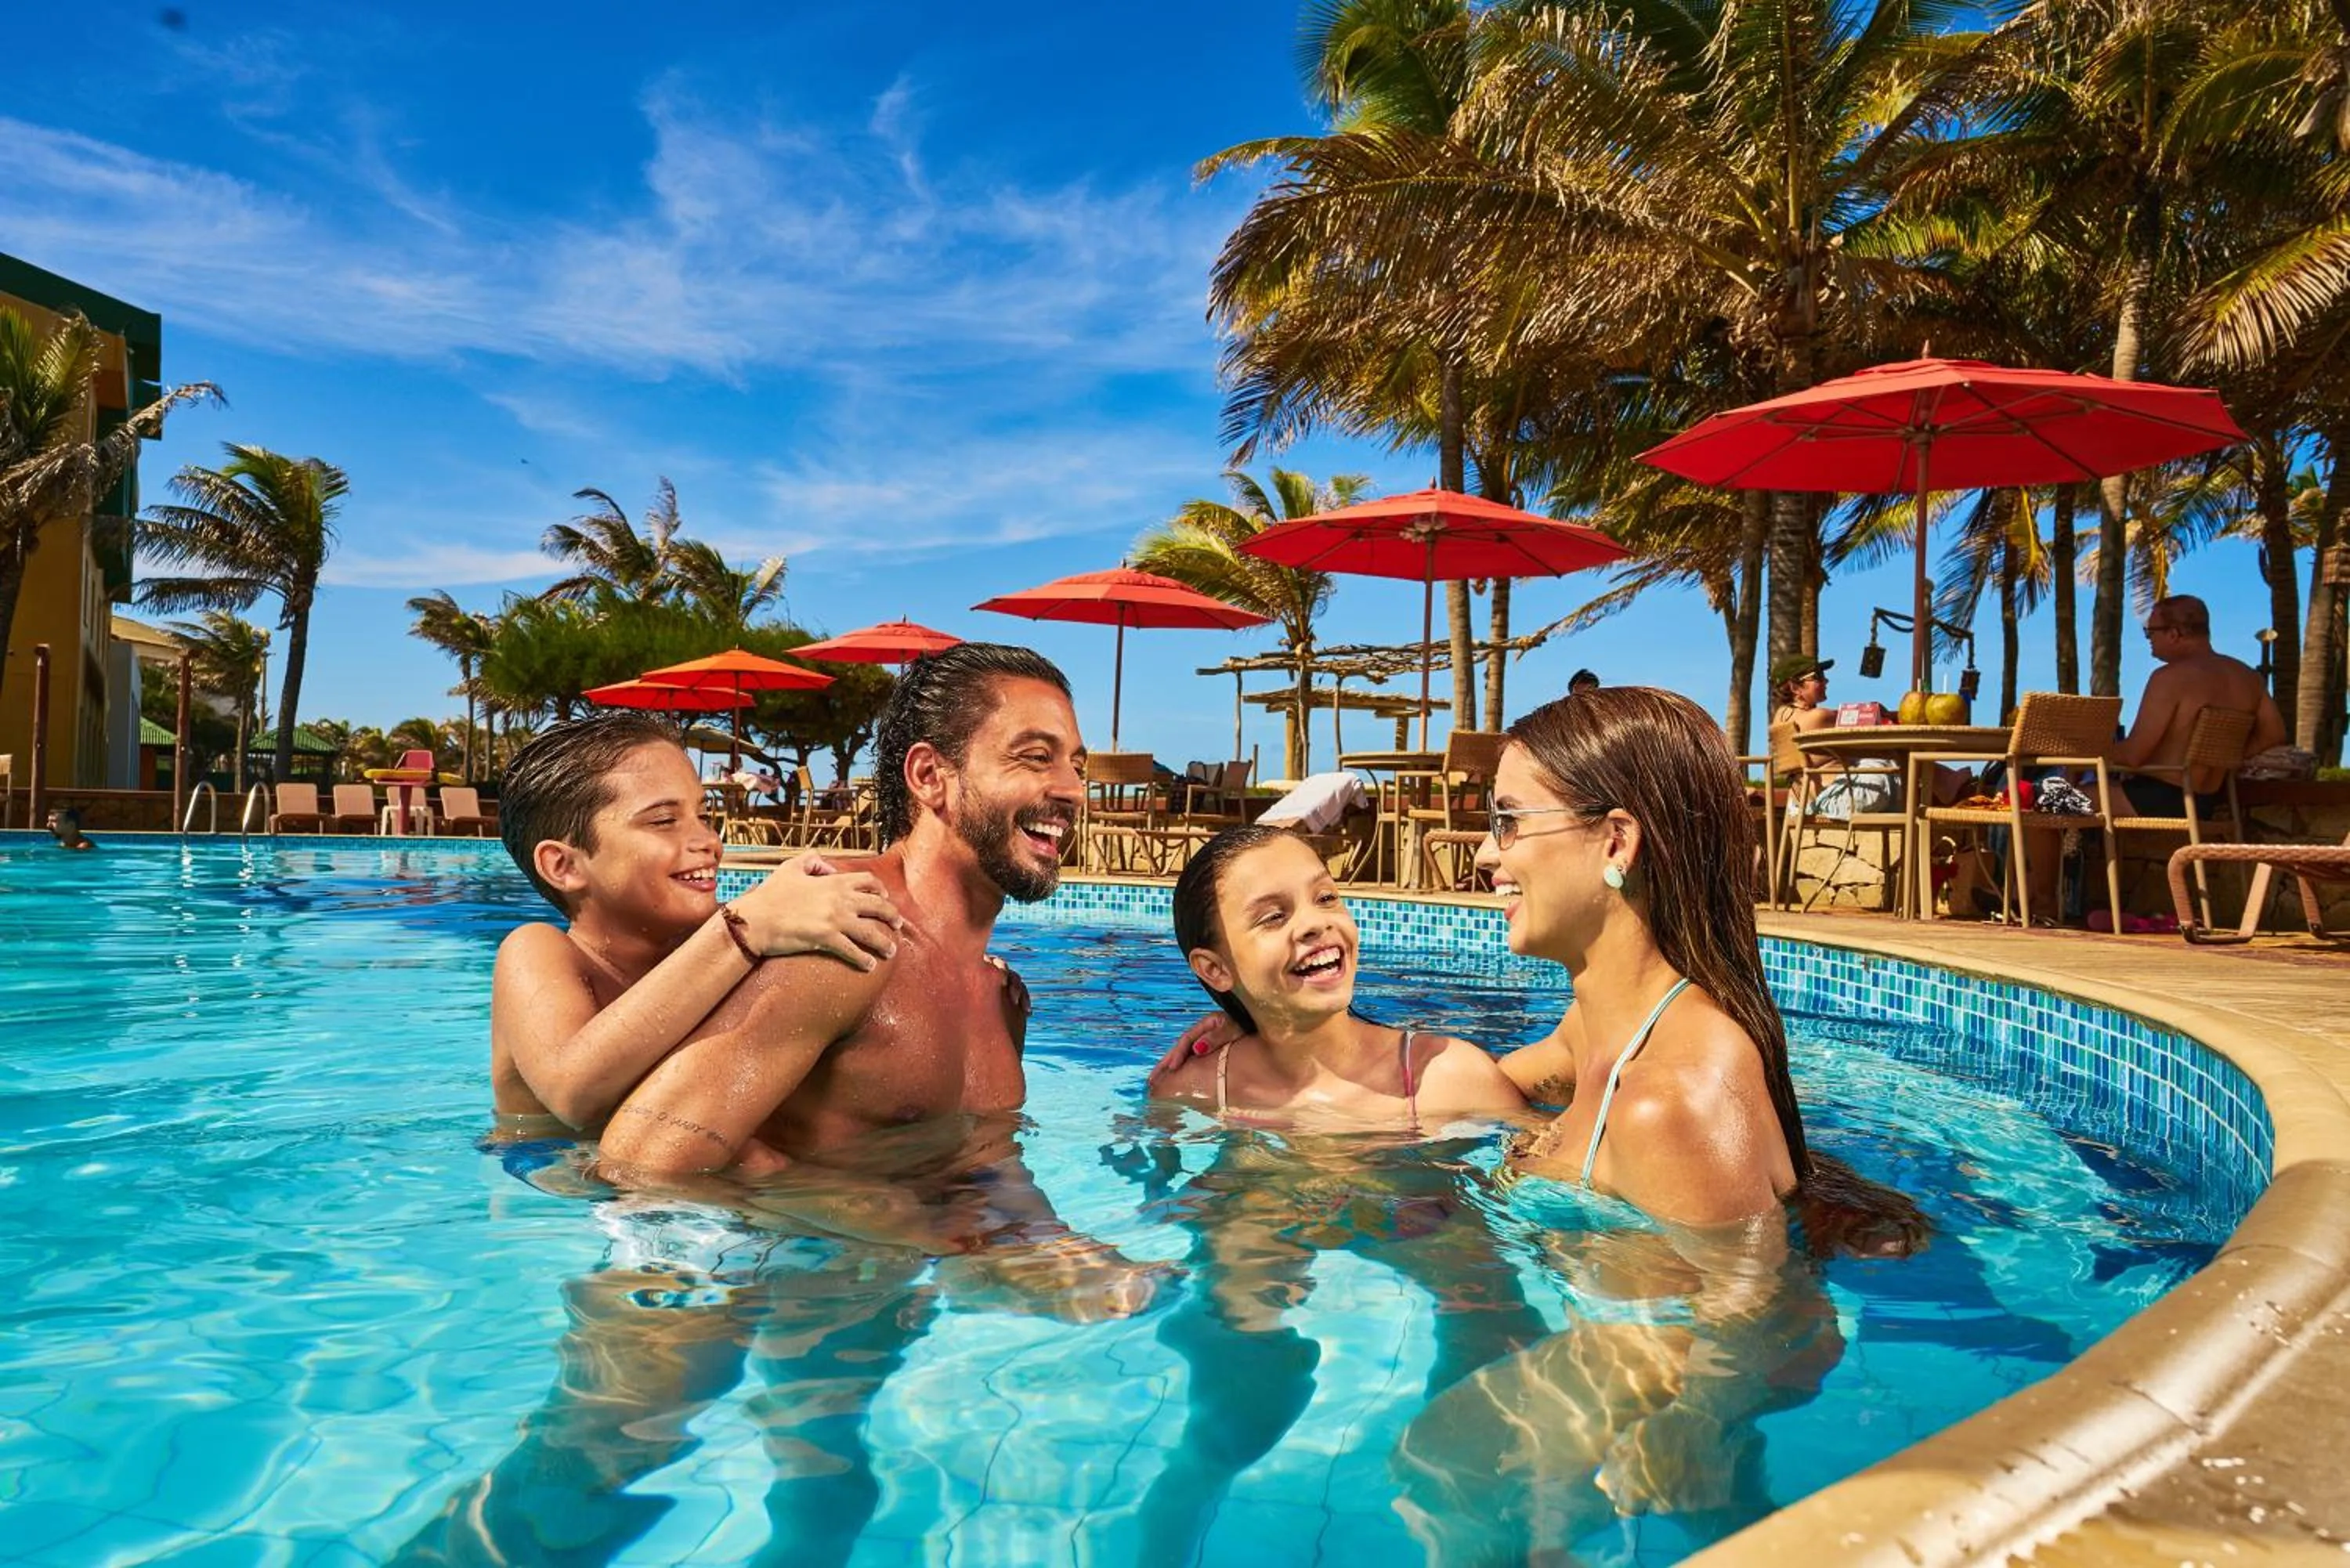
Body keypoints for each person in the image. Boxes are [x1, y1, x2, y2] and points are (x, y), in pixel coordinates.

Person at [1126, 826, 1546, 1566]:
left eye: (1325, 896)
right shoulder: (1196, 1085)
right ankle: (1186, 1496)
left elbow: (1542, 1198)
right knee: (1229, 1351)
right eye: (1273, 916)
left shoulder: (1445, 1080)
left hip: (1424, 1231)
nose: (1317, 921)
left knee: (1483, 1338)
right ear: (1213, 969)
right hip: (1274, 1231)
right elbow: (1150, 1170)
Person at [487, 710, 904, 1134]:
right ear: (564, 866)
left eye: (704, 816)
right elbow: (574, 1093)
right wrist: (746, 927)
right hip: (550, 1185)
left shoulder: (707, 948)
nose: (708, 841)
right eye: (664, 821)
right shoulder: (536, 950)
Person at [2111, 594, 2287, 815]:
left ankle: (2075, 851)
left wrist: (2087, 751)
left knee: (2056, 800)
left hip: (2160, 798)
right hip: (2208, 800)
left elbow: (2133, 755)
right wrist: (2227, 758)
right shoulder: (2248, 678)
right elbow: (2275, 734)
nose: (2149, 639)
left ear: (2174, 634)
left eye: (2150, 632)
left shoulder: (2169, 678)